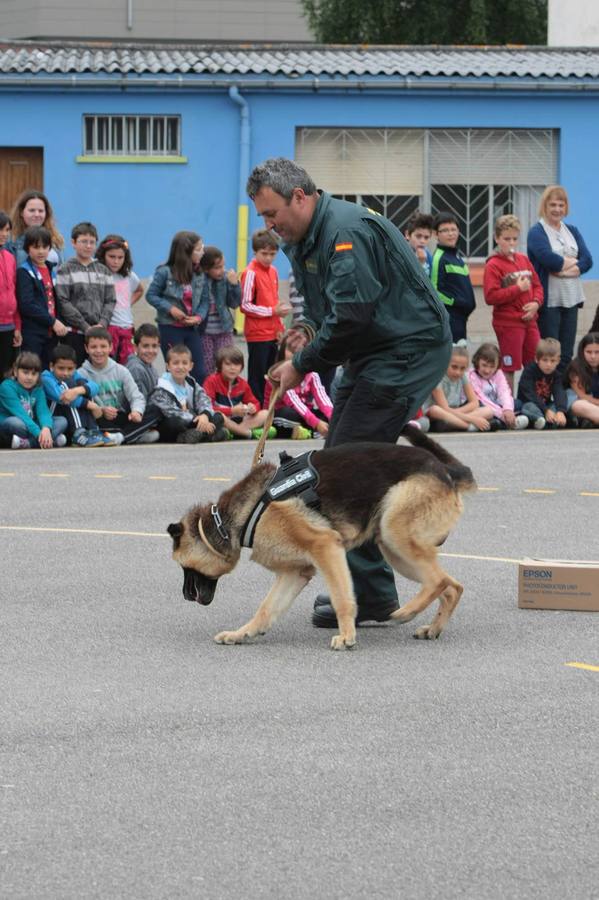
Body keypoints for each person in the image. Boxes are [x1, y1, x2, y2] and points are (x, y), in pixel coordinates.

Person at [246, 156, 452, 628]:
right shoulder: (302, 236)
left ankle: (379, 587)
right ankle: (385, 565)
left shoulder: (345, 231)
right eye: (262, 216)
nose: (269, 224)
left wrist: (301, 365)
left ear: (300, 196)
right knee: (337, 460)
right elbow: (325, 310)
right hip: (373, 348)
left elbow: (353, 314)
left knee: (344, 468)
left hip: (407, 348)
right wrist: (304, 332)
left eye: (271, 212)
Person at [527, 185, 593, 368]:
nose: (557, 209)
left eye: (561, 205)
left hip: (571, 299)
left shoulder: (572, 230)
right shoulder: (536, 232)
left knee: (566, 353)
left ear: (566, 207)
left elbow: (588, 260)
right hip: (549, 303)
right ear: (545, 206)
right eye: (553, 205)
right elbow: (549, 260)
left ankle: (561, 393)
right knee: (549, 353)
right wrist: (573, 261)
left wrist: (564, 271)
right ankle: (545, 394)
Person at [483, 214, 544, 392]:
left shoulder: (523, 260)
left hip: (530, 321)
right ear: (496, 238)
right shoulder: (493, 265)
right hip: (509, 324)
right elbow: (491, 297)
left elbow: (538, 286)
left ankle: (531, 402)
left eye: (514, 239)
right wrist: (517, 289)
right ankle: (508, 405)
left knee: (534, 364)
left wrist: (535, 303)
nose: (511, 243)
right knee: (510, 367)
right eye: (506, 239)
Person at [145, 230, 209, 384]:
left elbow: (205, 301)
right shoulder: (164, 272)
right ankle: (175, 403)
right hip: (170, 327)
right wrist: (170, 309)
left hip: (192, 328)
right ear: (186, 252)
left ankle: (196, 404)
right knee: (176, 369)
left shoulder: (200, 274)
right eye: (199, 249)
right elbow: (151, 295)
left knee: (199, 371)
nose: (203, 252)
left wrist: (198, 317)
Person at [78, 326, 159, 445]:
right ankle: (133, 435)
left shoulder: (121, 370)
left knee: (156, 409)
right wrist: (101, 410)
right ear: (86, 348)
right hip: (98, 419)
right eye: (94, 347)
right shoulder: (81, 374)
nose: (99, 351)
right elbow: (80, 403)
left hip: (120, 416)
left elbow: (136, 396)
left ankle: (122, 436)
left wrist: (137, 411)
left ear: (110, 347)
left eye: (103, 346)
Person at [54, 222, 116, 366]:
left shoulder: (103, 270)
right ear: (73, 243)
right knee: (75, 371)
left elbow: (110, 300)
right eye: (83, 241)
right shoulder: (65, 269)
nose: (88, 246)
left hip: (99, 333)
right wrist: (85, 326)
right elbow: (63, 301)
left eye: (92, 242)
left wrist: (102, 324)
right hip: (75, 334)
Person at [240, 228, 290, 406]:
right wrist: (272, 312)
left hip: (272, 333)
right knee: (257, 377)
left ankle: (270, 410)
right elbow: (245, 305)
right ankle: (257, 413)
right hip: (257, 334)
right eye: (264, 254)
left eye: (272, 254)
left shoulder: (273, 271)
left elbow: (274, 300)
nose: (268, 258)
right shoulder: (250, 272)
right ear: (255, 252)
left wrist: (279, 328)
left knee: (272, 376)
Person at [149, 344, 226, 444]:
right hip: (173, 424)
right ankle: (208, 435)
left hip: (194, 422)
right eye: (176, 363)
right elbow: (171, 412)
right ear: (168, 366)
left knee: (218, 417)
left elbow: (204, 400)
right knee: (175, 423)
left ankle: (196, 435)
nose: (180, 367)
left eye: (185, 363)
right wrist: (198, 420)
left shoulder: (191, 383)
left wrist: (204, 415)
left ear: (191, 366)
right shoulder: (161, 387)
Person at [16, 226, 68, 369]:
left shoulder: (51, 269)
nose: (41, 251)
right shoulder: (24, 271)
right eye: (36, 247)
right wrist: (52, 321)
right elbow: (27, 305)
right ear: (27, 248)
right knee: (31, 370)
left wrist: (59, 323)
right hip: (33, 333)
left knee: (46, 372)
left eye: (45, 247)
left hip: (51, 333)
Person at [263, 334, 333, 439]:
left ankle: (311, 431)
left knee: (327, 414)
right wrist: (316, 423)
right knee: (289, 414)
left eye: (301, 352)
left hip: (304, 413)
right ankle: (312, 431)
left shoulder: (312, 374)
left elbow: (322, 398)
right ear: (282, 351)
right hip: (282, 413)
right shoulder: (278, 374)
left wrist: (333, 417)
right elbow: (294, 401)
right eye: (292, 351)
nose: (296, 356)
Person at [41, 343, 107, 447]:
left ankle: (92, 431)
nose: (66, 373)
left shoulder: (75, 375)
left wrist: (78, 390)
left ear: (75, 368)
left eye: (70, 369)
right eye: (61, 368)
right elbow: (63, 397)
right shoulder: (46, 377)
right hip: (54, 418)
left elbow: (95, 387)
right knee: (67, 386)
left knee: (82, 386)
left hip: (68, 418)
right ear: (51, 366)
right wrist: (91, 405)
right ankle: (79, 432)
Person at [202, 344, 274, 439]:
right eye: (228, 364)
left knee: (266, 413)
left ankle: (236, 432)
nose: (233, 368)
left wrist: (253, 408)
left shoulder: (242, 384)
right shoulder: (211, 381)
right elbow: (207, 408)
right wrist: (232, 411)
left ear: (241, 367)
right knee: (219, 416)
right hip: (222, 420)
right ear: (220, 366)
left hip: (239, 421)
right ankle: (247, 434)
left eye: (236, 364)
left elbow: (255, 403)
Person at [0, 350, 67, 449]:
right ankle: (50, 440)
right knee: (15, 423)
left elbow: (43, 411)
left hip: (31, 425)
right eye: (25, 372)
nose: (29, 377)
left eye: (34, 374)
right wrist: (39, 433)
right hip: (12, 425)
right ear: (15, 371)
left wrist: (46, 428)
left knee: (62, 421)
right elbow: (21, 414)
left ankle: (28, 443)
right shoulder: (7, 387)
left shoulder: (38, 388)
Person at [423, 343, 495, 432]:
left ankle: (457, 423)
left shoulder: (463, 376)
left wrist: (457, 413)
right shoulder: (436, 378)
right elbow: (444, 408)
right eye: (454, 367)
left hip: (454, 412)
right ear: (445, 363)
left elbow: (474, 402)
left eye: (462, 368)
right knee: (435, 410)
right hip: (439, 414)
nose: (458, 372)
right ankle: (469, 427)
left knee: (489, 411)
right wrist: (472, 419)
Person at [96, 234, 143, 364]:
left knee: (126, 364)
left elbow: (139, 290)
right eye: (112, 257)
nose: (116, 261)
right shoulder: (98, 274)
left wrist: (128, 303)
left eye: (120, 257)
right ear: (103, 255)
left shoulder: (129, 275)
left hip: (127, 327)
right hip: (108, 327)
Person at [430, 211, 476, 341]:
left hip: (462, 320)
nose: (450, 233)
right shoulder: (438, 258)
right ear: (435, 234)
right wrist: (456, 302)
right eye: (445, 230)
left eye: (453, 229)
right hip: (451, 319)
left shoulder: (456, 256)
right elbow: (434, 291)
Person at [198, 246, 241, 375]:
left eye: (223, 266)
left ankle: (224, 393)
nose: (222, 271)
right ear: (206, 268)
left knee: (226, 363)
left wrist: (234, 285)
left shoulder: (225, 279)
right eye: (217, 268)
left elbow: (234, 304)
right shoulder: (199, 281)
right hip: (204, 332)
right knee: (207, 366)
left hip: (224, 330)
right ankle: (208, 393)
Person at [468, 342, 528, 430]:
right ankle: (508, 423)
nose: (487, 370)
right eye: (484, 365)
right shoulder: (472, 375)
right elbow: (481, 398)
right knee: (482, 407)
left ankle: (502, 422)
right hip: (483, 406)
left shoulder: (498, 373)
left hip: (496, 405)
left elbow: (504, 391)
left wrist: (508, 409)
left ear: (497, 366)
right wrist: (501, 414)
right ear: (477, 362)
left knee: (518, 403)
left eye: (492, 367)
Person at [516, 337, 568, 429]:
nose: (549, 364)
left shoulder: (556, 375)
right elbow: (530, 394)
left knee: (557, 406)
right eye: (545, 360)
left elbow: (559, 393)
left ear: (558, 361)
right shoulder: (529, 371)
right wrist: (545, 410)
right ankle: (541, 419)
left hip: (546, 406)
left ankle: (550, 420)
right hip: (530, 403)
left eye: (552, 361)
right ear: (537, 359)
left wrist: (560, 411)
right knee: (527, 407)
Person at [7, 190, 64, 266]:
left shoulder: (54, 239)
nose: (37, 214)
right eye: (32, 210)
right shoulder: (10, 241)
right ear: (21, 212)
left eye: (41, 211)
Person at [0, 211, 21, 379]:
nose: (4, 234)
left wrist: (17, 327)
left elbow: (14, 293)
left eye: (7, 230)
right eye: (0, 229)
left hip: (8, 327)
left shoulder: (9, 257)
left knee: (5, 374)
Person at [563, 331, 599, 426]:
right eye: (589, 352)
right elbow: (582, 396)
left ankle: (590, 421)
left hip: (595, 406)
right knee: (579, 405)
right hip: (579, 403)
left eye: (597, 352)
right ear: (582, 351)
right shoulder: (575, 367)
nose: (593, 356)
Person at [126, 323, 161, 402]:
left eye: (154, 346)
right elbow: (140, 402)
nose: (150, 351)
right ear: (135, 347)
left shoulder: (149, 365)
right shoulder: (136, 369)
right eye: (145, 346)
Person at [404, 211, 434, 277]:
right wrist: (420, 264)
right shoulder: (401, 253)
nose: (422, 241)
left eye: (426, 237)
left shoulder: (428, 255)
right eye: (418, 236)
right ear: (407, 235)